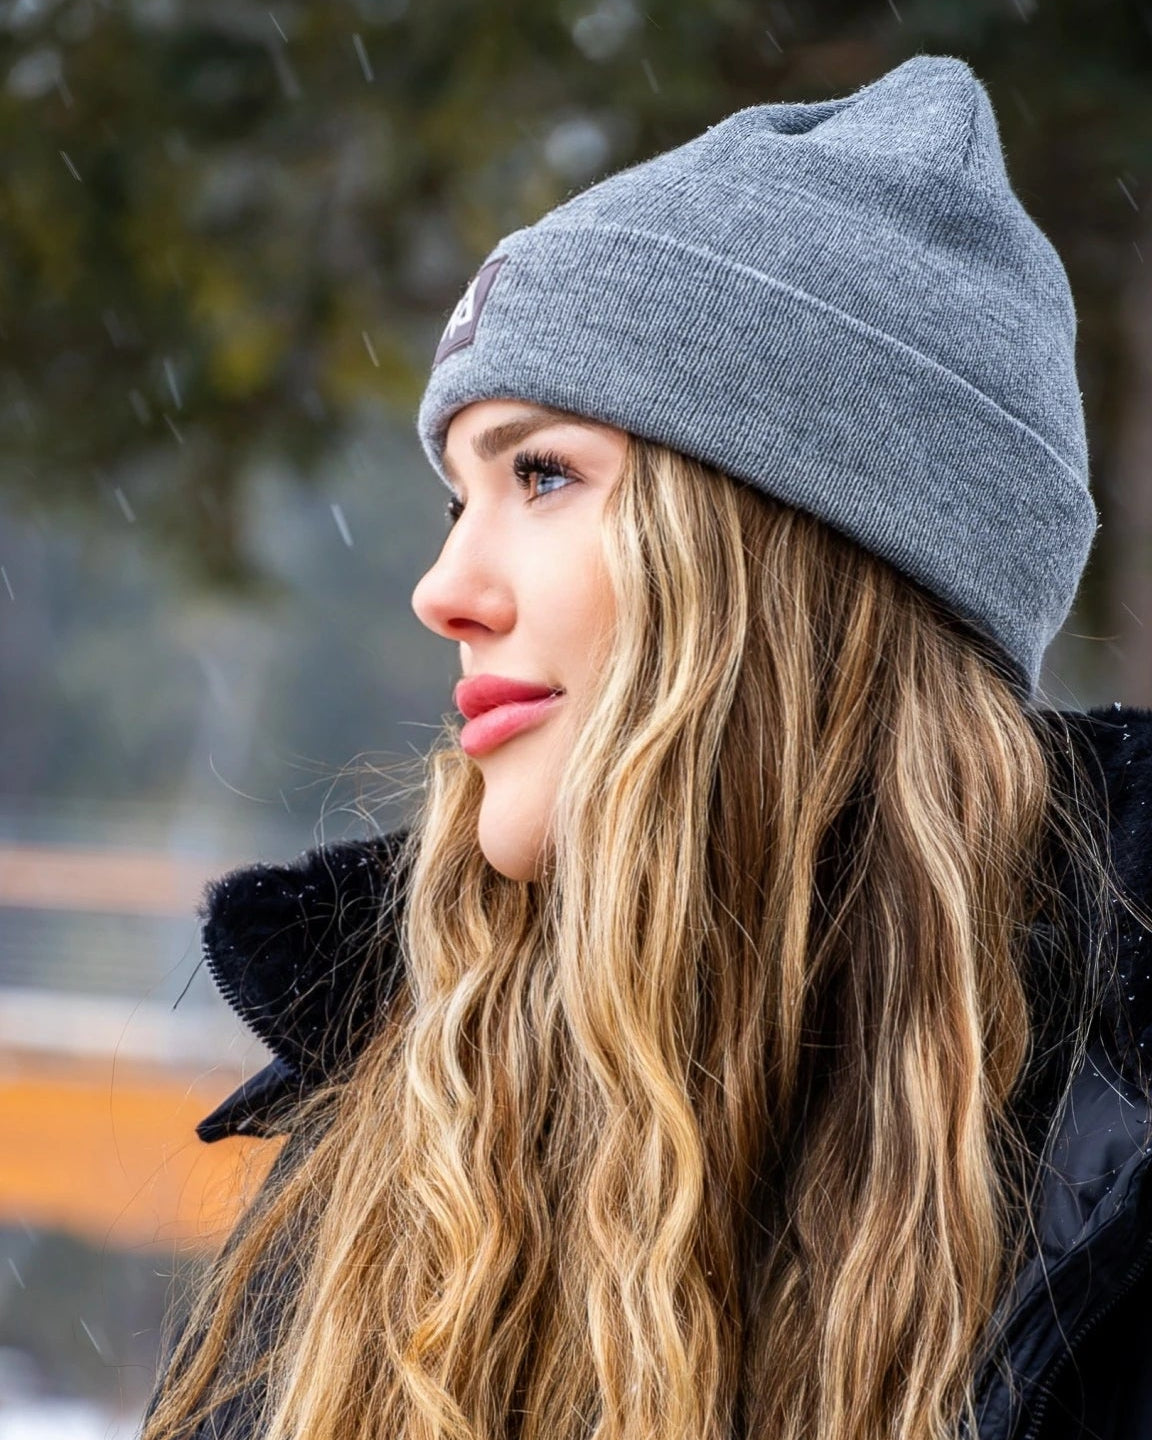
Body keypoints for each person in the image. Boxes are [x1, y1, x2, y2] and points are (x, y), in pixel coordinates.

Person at [142, 53, 1152, 1440]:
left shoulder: (1112, 1201)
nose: (445, 590)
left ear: (795, 563)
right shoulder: (388, 1166)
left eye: (542, 473)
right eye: (458, 499)